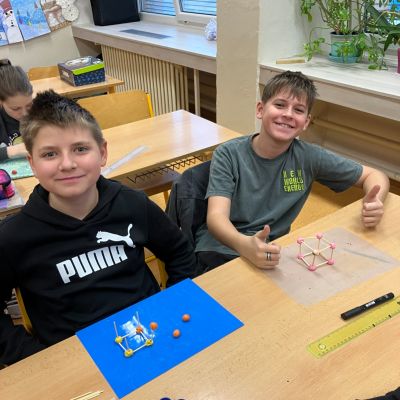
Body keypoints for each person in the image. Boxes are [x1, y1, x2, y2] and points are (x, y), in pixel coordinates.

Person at [0, 90, 197, 366]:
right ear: (32, 163)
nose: (67, 164)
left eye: (80, 149)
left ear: (102, 153)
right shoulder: (13, 237)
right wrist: (37, 359)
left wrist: (171, 306)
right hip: (75, 363)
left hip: (151, 338)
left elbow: (179, 251)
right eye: (50, 154)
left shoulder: (133, 204)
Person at [195, 70, 389, 272]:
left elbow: (375, 176)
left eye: (298, 110)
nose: (288, 114)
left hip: (273, 252)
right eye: (280, 105)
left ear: (306, 122)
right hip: (221, 247)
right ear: (260, 109)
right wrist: (245, 246)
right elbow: (216, 218)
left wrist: (376, 202)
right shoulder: (228, 154)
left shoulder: (309, 157)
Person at [0, 58, 32, 162]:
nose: (25, 113)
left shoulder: (42, 111)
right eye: (16, 108)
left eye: (29, 105)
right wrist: (13, 151)